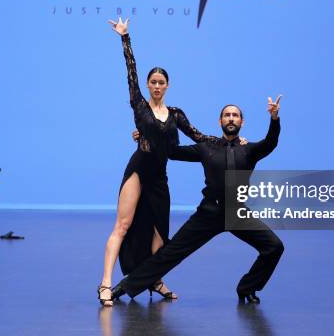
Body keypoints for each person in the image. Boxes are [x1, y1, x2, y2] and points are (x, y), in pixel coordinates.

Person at [98, 18, 245, 306]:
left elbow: (198, 136)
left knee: (160, 238)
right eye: (152, 82)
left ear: (167, 86)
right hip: (139, 170)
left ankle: (154, 279)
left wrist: (230, 140)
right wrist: (125, 38)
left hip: (160, 176)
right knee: (122, 225)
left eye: (160, 82)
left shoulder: (176, 113)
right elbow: (130, 71)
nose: (156, 86)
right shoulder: (139, 105)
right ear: (147, 85)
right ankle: (105, 283)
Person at [112, 97, 284, 304]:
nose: (231, 118)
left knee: (274, 246)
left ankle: (247, 287)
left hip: (237, 214)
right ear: (220, 122)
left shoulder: (250, 150)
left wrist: (274, 118)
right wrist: (146, 136)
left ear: (242, 122)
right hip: (209, 213)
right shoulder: (205, 147)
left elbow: (270, 143)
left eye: (235, 115)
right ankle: (125, 286)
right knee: (171, 253)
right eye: (227, 115)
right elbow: (172, 152)